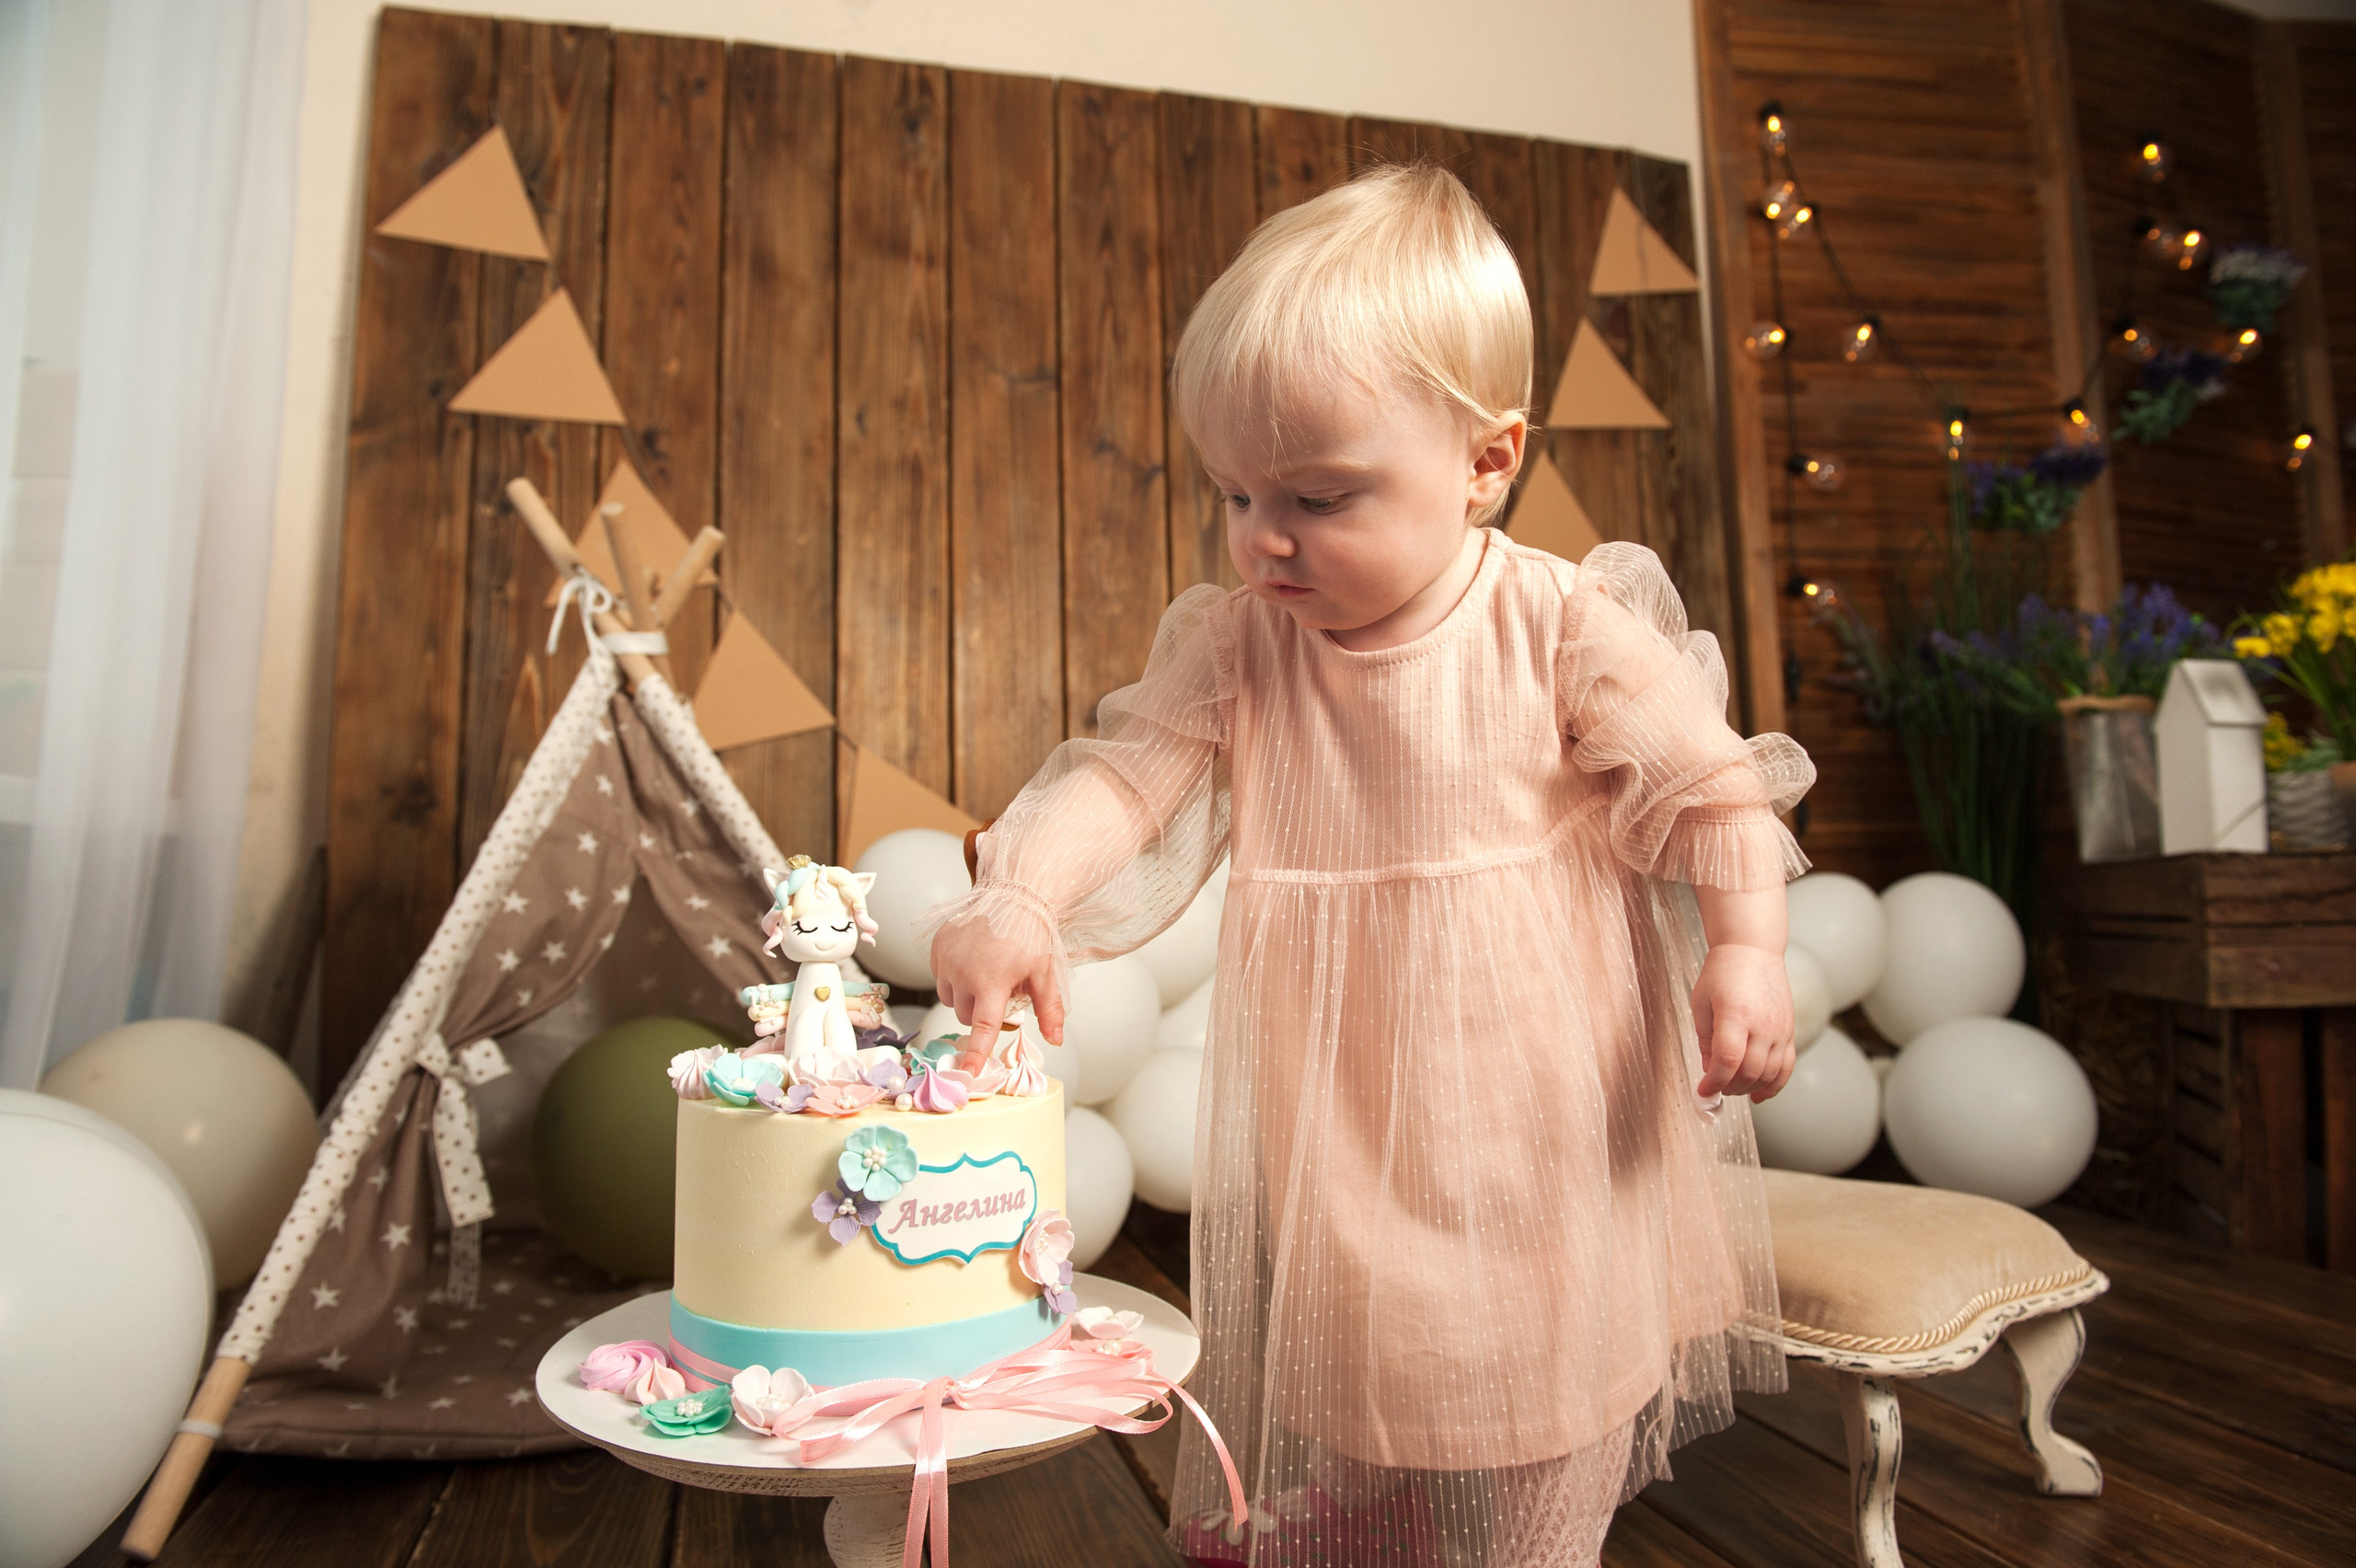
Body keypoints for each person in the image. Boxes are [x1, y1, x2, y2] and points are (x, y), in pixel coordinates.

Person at [922, 163, 1813, 1567]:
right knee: (1376, 1338)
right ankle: (1392, 1520)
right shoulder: (1241, 645)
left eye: (1322, 496)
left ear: (1485, 461)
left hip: (1550, 1089)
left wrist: (1748, 951)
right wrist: (1021, 890)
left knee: (1533, 1355)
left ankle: (1533, 1545)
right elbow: (1126, 775)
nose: (1265, 538)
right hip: (1346, 1088)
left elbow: (1714, 787)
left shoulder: (1556, 626)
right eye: (1235, 491)